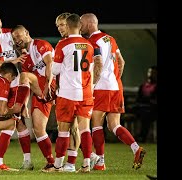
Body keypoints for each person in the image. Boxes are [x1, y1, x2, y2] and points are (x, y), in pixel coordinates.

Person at [0, 9, 45, 170]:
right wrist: (14, 60)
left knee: (19, 121)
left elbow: (23, 46)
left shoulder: (9, 33)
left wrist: (23, 52)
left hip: (14, 84)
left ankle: (25, 161)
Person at [80, 13, 146, 170]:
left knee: (96, 124)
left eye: (82, 23)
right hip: (115, 87)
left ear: (90, 24)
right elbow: (121, 61)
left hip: (101, 87)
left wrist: (93, 84)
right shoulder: (110, 39)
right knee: (114, 125)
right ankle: (136, 148)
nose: (80, 26)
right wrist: (115, 78)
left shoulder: (92, 42)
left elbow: (98, 64)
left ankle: (100, 162)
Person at [48, 13, 102, 173]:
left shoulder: (63, 44)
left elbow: (55, 70)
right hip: (85, 93)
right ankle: (85, 164)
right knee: (85, 129)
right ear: (80, 26)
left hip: (67, 93)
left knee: (63, 130)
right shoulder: (89, 45)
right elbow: (93, 70)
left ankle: (58, 166)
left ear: (69, 25)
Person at [11, 25, 57, 171]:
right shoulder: (25, 58)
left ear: (27, 33)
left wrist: (48, 86)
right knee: (38, 129)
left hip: (49, 85)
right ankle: (51, 162)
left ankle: (90, 157)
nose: (17, 40)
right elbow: (26, 84)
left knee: (70, 127)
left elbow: (50, 63)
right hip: (39, 89)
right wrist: (24, 102)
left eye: (19, 36)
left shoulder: (40, 45)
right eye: (14, 38)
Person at [135, 66, 157, 143]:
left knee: (146, 114)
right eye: (150, 72)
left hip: (153, 109)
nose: (151, 74)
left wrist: (148, 101)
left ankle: (142, 136)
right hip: (141, 107)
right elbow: (138, 98)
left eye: (153, 73)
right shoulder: (143, 86)